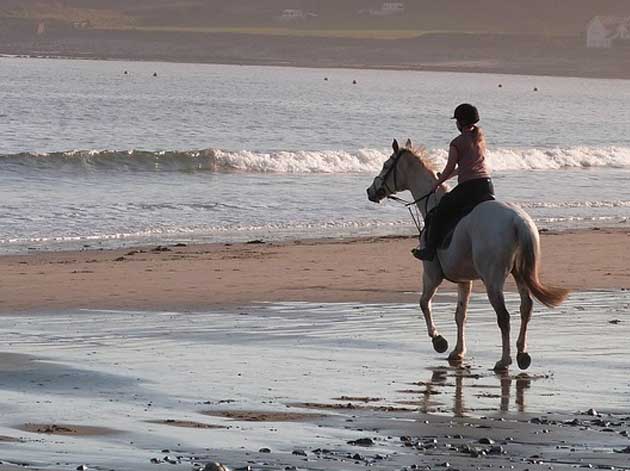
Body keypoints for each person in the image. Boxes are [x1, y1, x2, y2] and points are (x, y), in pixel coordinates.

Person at [412, 103, 494, 261]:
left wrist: (437, 183)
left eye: (457, 120)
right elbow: (465, 167)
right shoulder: (480, 139)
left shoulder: (457, 142)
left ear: (461, 122)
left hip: (469, 189)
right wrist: (446, 178)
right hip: (487, 186)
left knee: (437, 213)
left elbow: (450, 167)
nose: (456, 123)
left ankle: (429, 251)